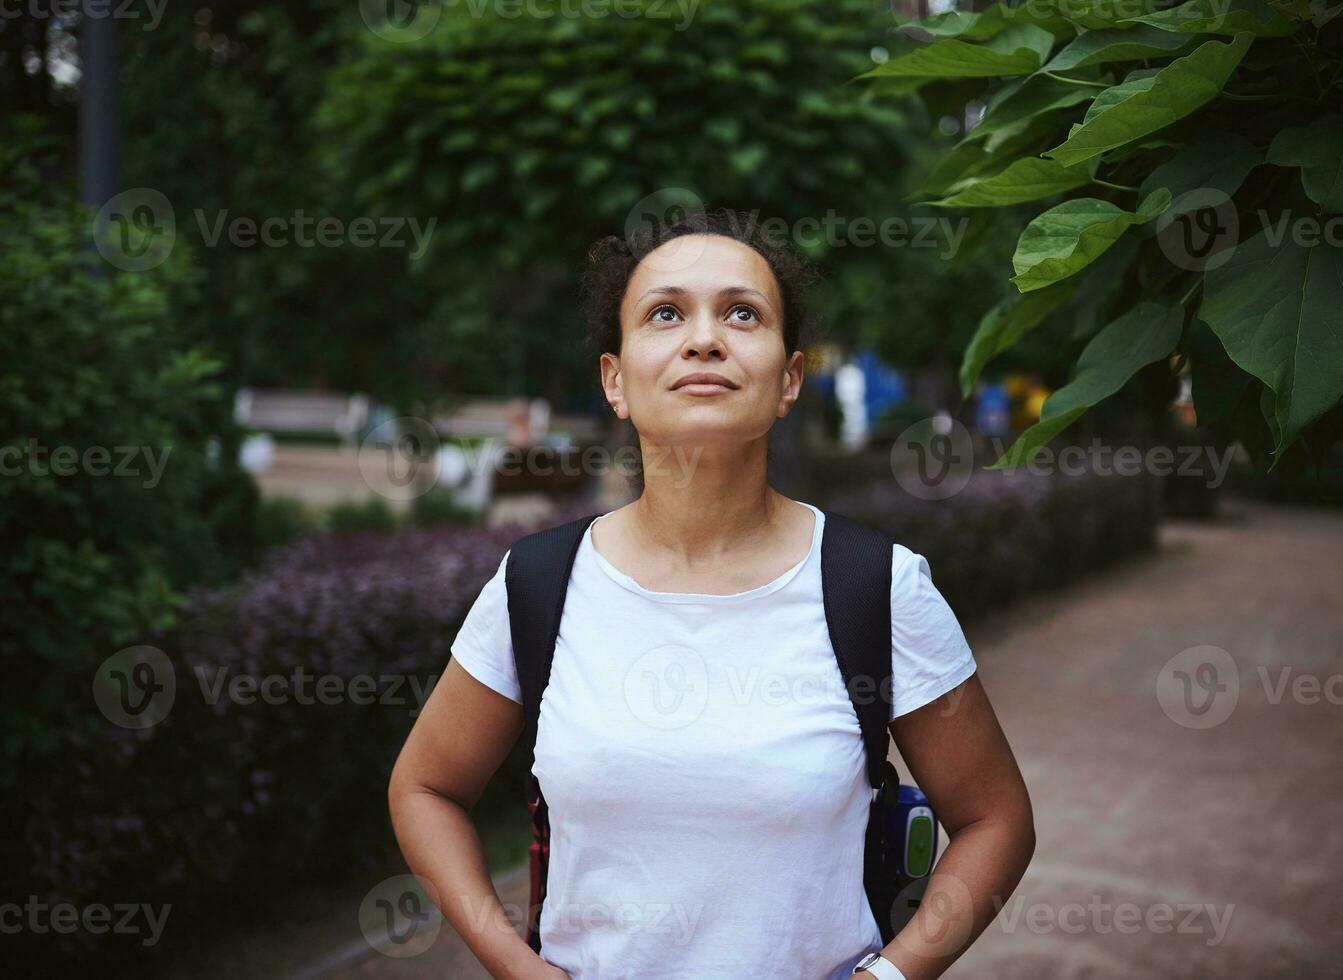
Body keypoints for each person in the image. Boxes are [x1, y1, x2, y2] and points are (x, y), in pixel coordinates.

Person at [387, 209, 1035, 979]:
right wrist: (512, 964)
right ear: (615, 381)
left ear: (789, 379)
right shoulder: (537, 585)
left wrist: (889, 977)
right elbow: (423, 787)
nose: (704, 338)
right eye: (665, 313)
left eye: (741, 313)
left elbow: (995, 819)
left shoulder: (877, 587)